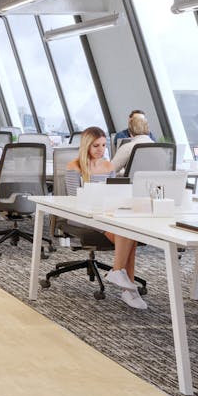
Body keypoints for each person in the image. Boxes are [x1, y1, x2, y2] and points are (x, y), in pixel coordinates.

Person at [65, 127, 146, 310]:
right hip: (82, 215)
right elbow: (73, 199)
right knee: (126, 234)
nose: (100, 149)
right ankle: (127, 288)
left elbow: (114, 194)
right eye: (96, 146)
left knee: (129, 232)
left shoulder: (108, 166)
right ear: (86, 145)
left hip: (105, 214)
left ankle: (122, 279)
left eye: (103, 145)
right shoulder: (74, 166)